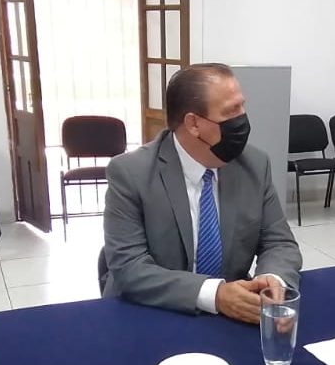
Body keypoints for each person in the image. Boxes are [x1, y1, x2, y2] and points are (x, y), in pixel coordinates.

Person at [102, 63, 301, 324]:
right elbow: (129, 267)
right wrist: (215, 294)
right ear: (193, 123)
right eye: (231, 111)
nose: (242, 119)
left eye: (242, 107)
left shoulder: (254, 164)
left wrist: (271, 281)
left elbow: (280, 243)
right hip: (152, 312)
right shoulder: (131, 173)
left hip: (229, 317)